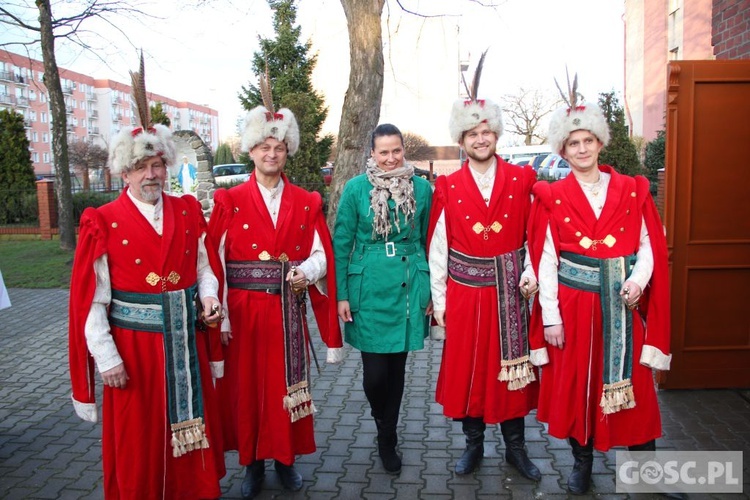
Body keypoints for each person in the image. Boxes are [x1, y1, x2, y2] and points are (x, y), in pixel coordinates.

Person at [67, 59, 226, 499]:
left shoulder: (187, 211)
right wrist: (106, 358)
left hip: (185, 345)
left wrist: (210, 298)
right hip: (132, 353)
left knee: (191, 439)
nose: (151, 174)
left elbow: (203, 270)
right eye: (141, 167)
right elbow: (92, 301)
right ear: (124, 172)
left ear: (167, 166)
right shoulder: (102, 221)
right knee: (138, 443)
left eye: (157, 165)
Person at [527, 85, 672, 495]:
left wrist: (637, 281)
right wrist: (551, 316)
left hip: (623, 306)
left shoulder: (632, 189)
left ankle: (648, 476)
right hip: (574, 308)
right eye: (573, 143)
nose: (582, 148)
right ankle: (582, 464)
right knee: (579, 388)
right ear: (563, 150)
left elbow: (649, 244)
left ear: (599, 142)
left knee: (637, 389)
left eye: (588, 140)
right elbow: (547, 260)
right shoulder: (553, 197)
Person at [208, 103, 343, 499]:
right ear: (251, 151)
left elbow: (321, 252)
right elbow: (213, 262)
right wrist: (224, 319)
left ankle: (285, 460)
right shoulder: (228, 201)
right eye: (265, 147)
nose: (272, 154)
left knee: (287, 385)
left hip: (287, 312)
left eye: (279, 147)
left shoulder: (306, 201)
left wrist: (309, 272)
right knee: (247, 391)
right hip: (244, 314)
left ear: (288, 152)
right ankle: (251, 464)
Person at [427, 84, 541, 480]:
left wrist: (529, 274)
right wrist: (439, 304)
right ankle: (473, 446)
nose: (480, 138)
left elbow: (535, 239)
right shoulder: (448, 186)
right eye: (472, 133)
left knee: (512, 372)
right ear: (461, 140)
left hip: (509, 295)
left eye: (486, 131)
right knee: (468, 372)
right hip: (462, 295)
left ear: (496, 135)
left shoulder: (522, 180)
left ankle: (516, 449)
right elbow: (438, 249)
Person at [333, 123, 433, 474]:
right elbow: (341, 242)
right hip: (368, 285)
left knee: (397, 369)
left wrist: (432, 289)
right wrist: (341, 294)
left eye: (396, 151)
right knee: (375, 374)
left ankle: (387, 438)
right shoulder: (356, 189)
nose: (391, 159)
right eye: (383, 152)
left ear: (404, 150)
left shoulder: (421, 188)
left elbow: (428, 241)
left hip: (407, 283)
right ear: (371, 154)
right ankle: (382, 423)